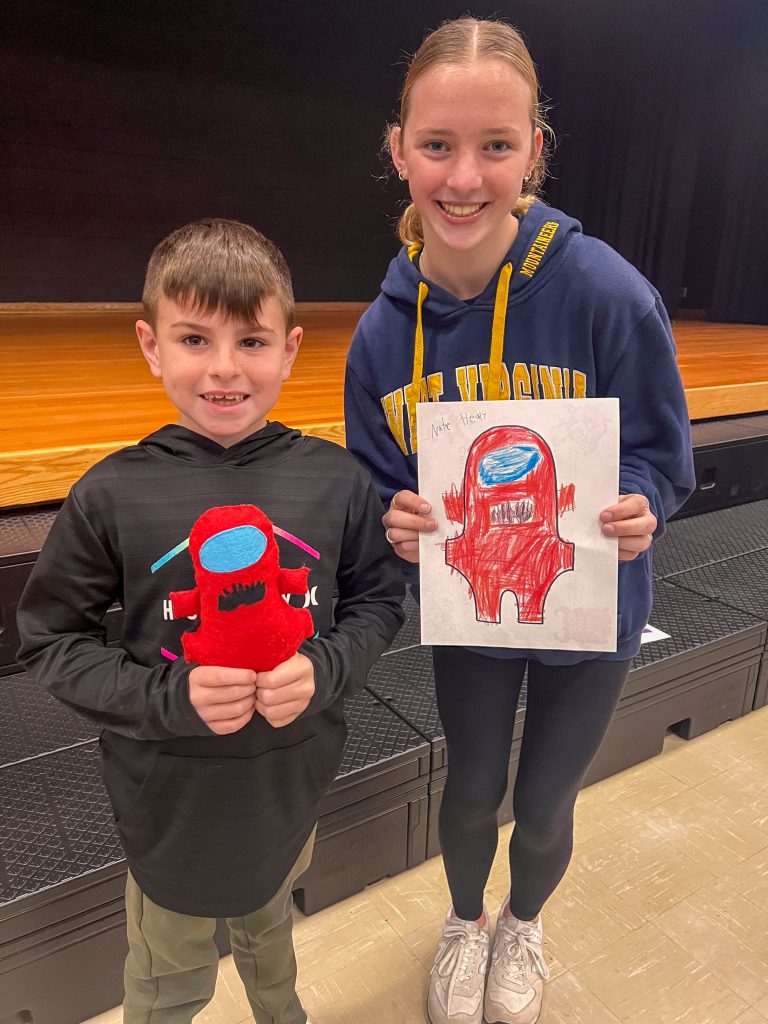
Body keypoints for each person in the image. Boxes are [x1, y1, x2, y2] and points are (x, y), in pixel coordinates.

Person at [344, 17, 694, 1024]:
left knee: (543, 806)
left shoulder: (605, 292)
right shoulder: (381, 335)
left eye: (495, 146)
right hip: (476, 606)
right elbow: (377, 482)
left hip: (590, 603)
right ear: (398, 150)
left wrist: (644, 504)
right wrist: (395, 517)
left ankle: (522, 922)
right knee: (470, 789)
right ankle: (464, 921)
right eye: (438, 146)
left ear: (533, 149)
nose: (463, 177)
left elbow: (661, 456)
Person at [17, 218, 404, 1024]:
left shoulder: (335, 481)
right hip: (170, 808)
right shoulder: (110, 493)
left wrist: (325, 670)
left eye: (252, 342)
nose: (224, 369)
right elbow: (52, 643)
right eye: (194, 338)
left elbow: (377, 604)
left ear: (291, 348)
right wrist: (170, 697)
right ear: (152, 346)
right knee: (168, 984)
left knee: (273, 946)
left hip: (288, 788)